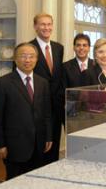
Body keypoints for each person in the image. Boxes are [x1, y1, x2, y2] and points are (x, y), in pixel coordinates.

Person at [0, 43, 52, 179]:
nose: (27, 60)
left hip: (38, 144)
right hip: (14, 146)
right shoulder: (2, 83)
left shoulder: (43, 83)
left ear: (36, 59)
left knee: (36, 181)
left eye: (31, 56)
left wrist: (48, 136)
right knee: (14, 182)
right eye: (23, 56)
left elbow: (47, 112)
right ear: (15, 59)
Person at [29, 13, 64, 164]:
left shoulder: (58, 48)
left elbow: (57, 77)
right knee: (37, 150)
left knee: (53, 149)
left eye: (49, 24)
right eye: (42, 24)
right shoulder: (28, 48)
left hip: (55, 109)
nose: (46, 27)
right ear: (35, 27)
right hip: (36, 107)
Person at [81, 38, 106, 113]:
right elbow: (83, 101)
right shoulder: (88, 73)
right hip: (95, 117)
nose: (104, 55)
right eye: (100, 52)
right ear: (95, 55)